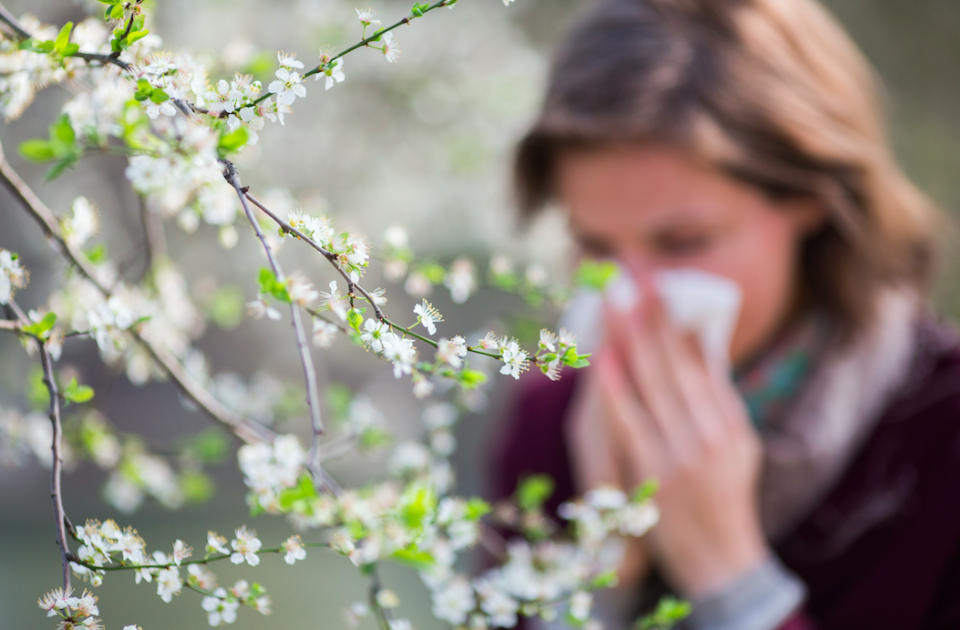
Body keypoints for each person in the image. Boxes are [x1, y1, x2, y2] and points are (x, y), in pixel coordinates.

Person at [489, 0, 960, 629]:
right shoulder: (556, 418)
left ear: (810, 196)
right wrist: (595, 572)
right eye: (597, 248)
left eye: (682, 243)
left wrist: (732, 579)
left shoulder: (940, 434)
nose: (633, 297)